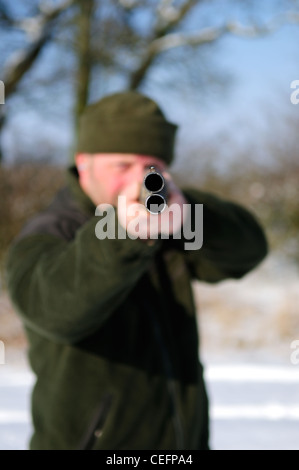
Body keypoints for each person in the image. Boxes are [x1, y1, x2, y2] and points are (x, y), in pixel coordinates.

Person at [6, 91, 268, 450]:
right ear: (84, 164)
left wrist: (188, 212)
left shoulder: (169, 223)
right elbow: (53, 310)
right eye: (123, 165)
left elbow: (249, 250)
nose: (141, 180)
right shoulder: (53, 230)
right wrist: (123, 235)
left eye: (153, 168)